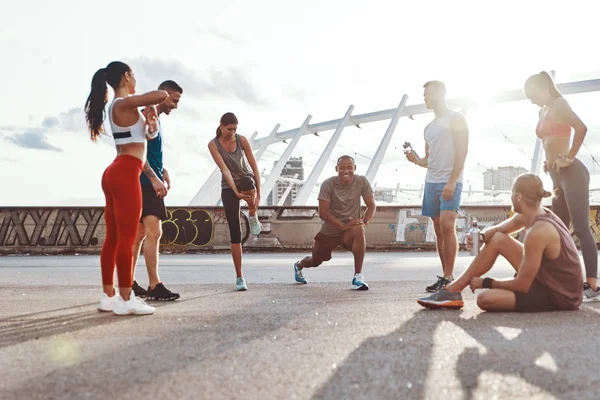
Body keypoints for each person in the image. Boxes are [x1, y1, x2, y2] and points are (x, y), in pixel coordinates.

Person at [417, 173, 583, 312]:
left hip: (560, 294)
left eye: (511, 193)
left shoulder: (539, 231)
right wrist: (481, 236)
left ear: (518, 197)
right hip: (549, 278)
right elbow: (499, 230)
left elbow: (523, 285)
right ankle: (453, 291)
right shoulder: (535, 214)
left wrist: (486, 282)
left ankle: (452, 291)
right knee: (497, 239)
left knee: (485, 299)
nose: (510, 198)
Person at [85, 61, 174, 315]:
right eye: (133, 75)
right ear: (126, 76)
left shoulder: (123, 108)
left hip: (120, 169)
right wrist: (148, 104)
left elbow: (141, 145)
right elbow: (162, 95)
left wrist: (151, 125)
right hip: (124, 173)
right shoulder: (123, 103)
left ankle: (109, 295)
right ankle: (125, 299)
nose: (135, 79)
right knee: (126, 238)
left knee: (114, 238)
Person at [524, 71, 599, 302]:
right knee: (559, 229)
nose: (531, 100)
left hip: (573, 173)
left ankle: (594, 287)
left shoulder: (559, 104)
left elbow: (581, 128)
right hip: (556, 176)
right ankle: (562, 281)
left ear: (544, 86)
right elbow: (548, 141)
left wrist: (569, 157)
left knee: (580, 228)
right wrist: (549, 162)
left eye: (532, 94)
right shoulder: (542, 111)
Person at [405, 80, 469, 293]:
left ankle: (450, 276)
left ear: (441, 94)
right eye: (424, 96)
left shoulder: (457, 118)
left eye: (429, 95)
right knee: (439, 229)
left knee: (448, 225)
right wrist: (416, 160)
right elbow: (428, 160)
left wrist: (452, 181)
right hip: (431, 182)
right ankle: (445, 276)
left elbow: (462, 152)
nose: (425, 99)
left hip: (450, 181)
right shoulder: (429, 128)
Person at [131, 80, 183, 301]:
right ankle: (154, 285)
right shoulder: (145, 117)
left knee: (139, 235)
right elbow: (135, 152)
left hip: (144, 181)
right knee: (155, 233)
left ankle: (128, 283)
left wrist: (163, 169)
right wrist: (153, 178)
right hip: (144, 183)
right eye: (174, 100)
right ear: (164, 95)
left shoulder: (155, 119)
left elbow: (148, 152)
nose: (175, 105)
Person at [293, 155, 376, 290]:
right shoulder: (328, 184)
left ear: (354, 168)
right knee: (316, 261)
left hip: (349, 229)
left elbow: (371, 205)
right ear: (336, 169)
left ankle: (358, 276)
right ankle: (299, 265)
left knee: (359, 228)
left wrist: (364, 221)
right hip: (330, 231)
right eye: (342, 168)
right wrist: (342, 225)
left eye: (349, 167)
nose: (346, 171)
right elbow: (323, 212)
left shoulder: (361, 181)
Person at [208, 112, 262, 291]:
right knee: (235, 231)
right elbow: (224, 169)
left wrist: (259, 194)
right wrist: (236, 193)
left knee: (247, 181)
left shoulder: (242, 140)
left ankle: (253, 214)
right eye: (229, 129)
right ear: (221, 126)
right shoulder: (213, 145)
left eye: (235, 129)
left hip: (246, 180)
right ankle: (239, 277)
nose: (232, 132)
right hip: (228, 185)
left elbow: (253, 166)